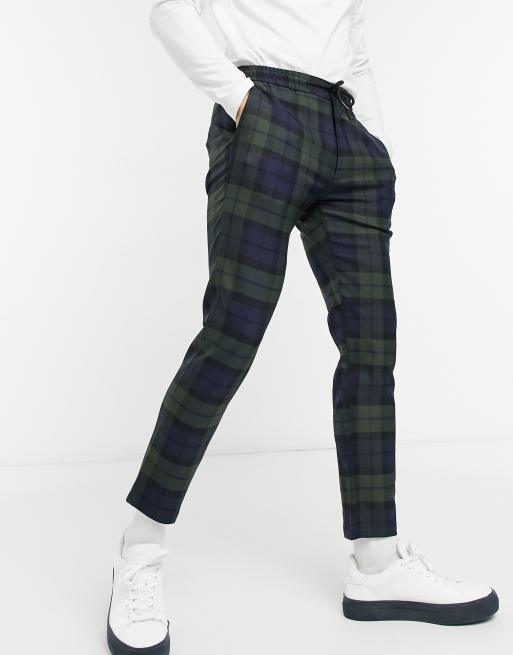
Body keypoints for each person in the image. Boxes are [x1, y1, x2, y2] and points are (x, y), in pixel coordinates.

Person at [106, 2, 499, 653]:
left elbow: (354, 44)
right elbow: (170, 10)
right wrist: (242, 100)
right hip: (265, 112)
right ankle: (138, 552)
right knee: (230, 335)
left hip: (347, 134)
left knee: (371, 346)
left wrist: (376, 144)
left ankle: (375, 564)